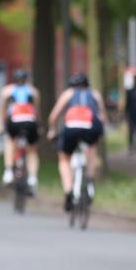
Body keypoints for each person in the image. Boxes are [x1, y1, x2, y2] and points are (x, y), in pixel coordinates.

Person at [47, 72, 107, 212]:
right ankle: (90, 180)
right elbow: (102, 117)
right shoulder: (95, 94)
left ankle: (68, 191)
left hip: (72, 128)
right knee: (91, 149)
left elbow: (54, 115)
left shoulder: (69, 93)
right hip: (91, 127)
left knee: (64, 158)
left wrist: (52, 130)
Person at [0, 69, 40, 193]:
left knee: (10, 141)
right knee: (32, 150)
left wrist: (1, 125)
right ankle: (33, 177)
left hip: (14, 122)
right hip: (30, 122)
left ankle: (8, 171)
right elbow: (37, 111)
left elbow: (3, 110)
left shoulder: (7, 91)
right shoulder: (34, 91)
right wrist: (39, 126)